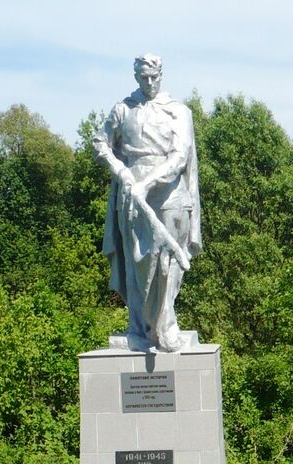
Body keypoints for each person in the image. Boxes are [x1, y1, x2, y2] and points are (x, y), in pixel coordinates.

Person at [93, 53, 201, 352]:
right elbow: (100, 143)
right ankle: (138, 328)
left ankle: (166, 325)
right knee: (137, 265)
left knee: (166, 264)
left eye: (154, 77)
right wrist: (121, 171)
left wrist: (147, 182)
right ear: (136, 76)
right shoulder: (122, 110)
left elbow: (180, 156)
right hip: (131, 195)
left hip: (169, 196)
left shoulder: (178, 111)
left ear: (161, 75)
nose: (149, 82)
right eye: (143, 77)